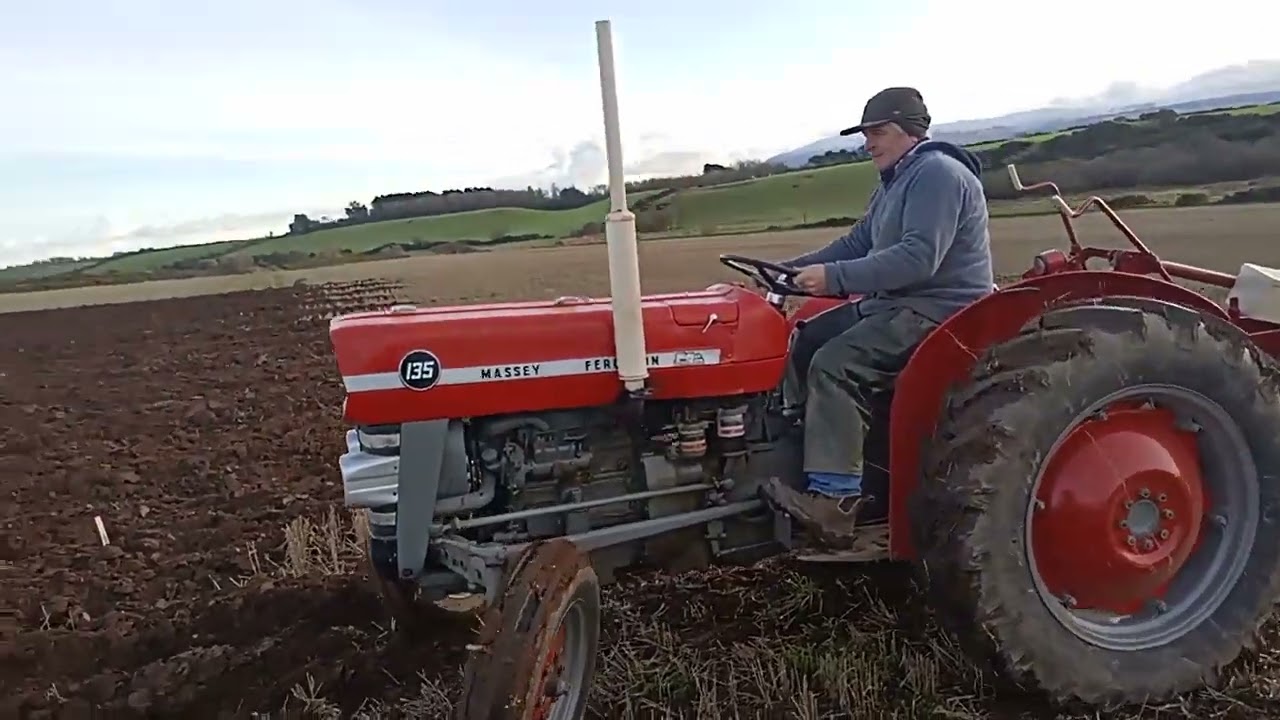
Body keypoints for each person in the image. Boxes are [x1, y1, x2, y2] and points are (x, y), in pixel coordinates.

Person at [762, 86, 994, 548]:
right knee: (808, 337)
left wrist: (830, 279)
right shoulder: (895, 182)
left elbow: (918, 259)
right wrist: (785, 274)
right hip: (898, 303)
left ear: (911, 131)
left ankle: (835, 503)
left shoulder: (938, 175)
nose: (868, 143)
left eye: (878, 132)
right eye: (866, 133)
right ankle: (799, 450)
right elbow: (856, 245)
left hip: (941, 308)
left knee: (837, 363)